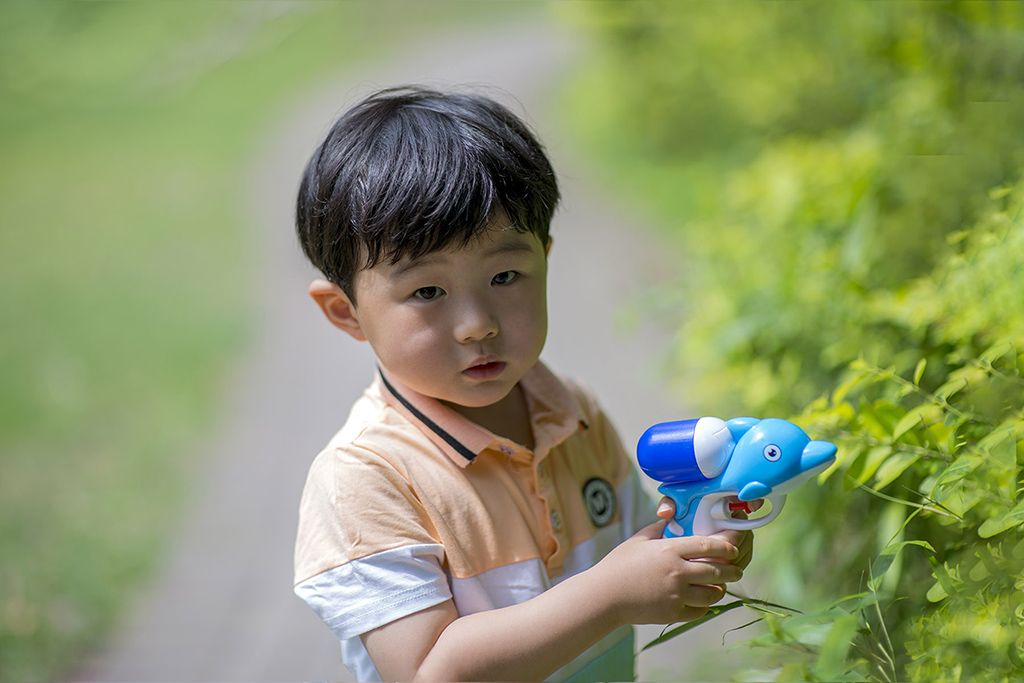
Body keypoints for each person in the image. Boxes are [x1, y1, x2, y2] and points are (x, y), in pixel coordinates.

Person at [291, 86, 753, 682]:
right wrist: (611, 596)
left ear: (545, 258)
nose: (477, 324)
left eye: (505, 275)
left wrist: (701, 537)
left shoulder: (574, 413)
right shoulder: (364, 479)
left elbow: (637, 558)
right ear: (346, 311)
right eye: (427, 291)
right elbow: (429, 671)